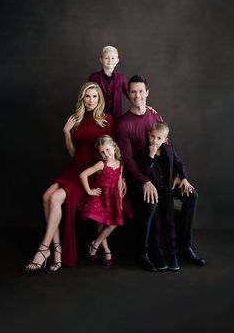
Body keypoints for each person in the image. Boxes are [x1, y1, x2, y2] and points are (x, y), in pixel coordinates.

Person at [115, 75, 205, 272]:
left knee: (192, 196)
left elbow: (168, 148)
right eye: (133, 91)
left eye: (141, 91)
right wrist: (144, 181)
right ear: (128, 94)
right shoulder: (123, 123)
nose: (137, 95)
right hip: (139, 175)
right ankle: (143, 252)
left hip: (163, 175)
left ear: (147, 92)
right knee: (152, 199)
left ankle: (184, 246)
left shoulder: (155, 116)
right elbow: (128, 160)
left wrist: (179, 176)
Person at [26, 82, 114, 271]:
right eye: (87, 96)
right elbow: (74, 153)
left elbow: (111, 152)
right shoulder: (77, 119)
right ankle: (56, 251)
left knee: (56, 198)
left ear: (100, 99)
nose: (90, 100)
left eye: (94, 96)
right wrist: (66, 132)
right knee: (46, 197)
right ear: (82, 97)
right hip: (74, 168)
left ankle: (43, 249)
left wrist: (113, 176)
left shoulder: (107, 120)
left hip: (89, 173)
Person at [137, 122, 194, 272]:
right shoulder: (144, 152)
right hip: (153, 194)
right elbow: (143, 173)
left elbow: (179, 164)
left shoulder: (169, 150)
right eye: (152, 137)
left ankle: (172, 254)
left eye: (159, 138)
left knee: (169, 223)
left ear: (165, 140)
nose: (155, 141)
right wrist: (150, 156)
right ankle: (158, 254)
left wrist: (184, 178)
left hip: (167, 192)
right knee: (156, 224)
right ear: (149, 135)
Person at [79, 135, 123, 266]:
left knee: (113, 223)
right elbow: (83, 174)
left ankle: (95, 243)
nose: (106, 154)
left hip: (113, 197)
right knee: (101, 223)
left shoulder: (120, 163)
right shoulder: (101, 164)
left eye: (108, 150)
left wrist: (120, 200)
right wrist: (89, 191)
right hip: (100, 196)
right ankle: (106, 250)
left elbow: (119, 182)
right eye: (102, 152)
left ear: (114, 147)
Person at [88, 45, 128, 120]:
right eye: (106, 58)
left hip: (117, 117)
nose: (110, 60)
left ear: (117, 61)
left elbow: (130, 94)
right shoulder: (94, 77)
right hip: (98, 115)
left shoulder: (121, 77)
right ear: (101, 60)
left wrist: (143, 106)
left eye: (113, 58)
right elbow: (86, 95)